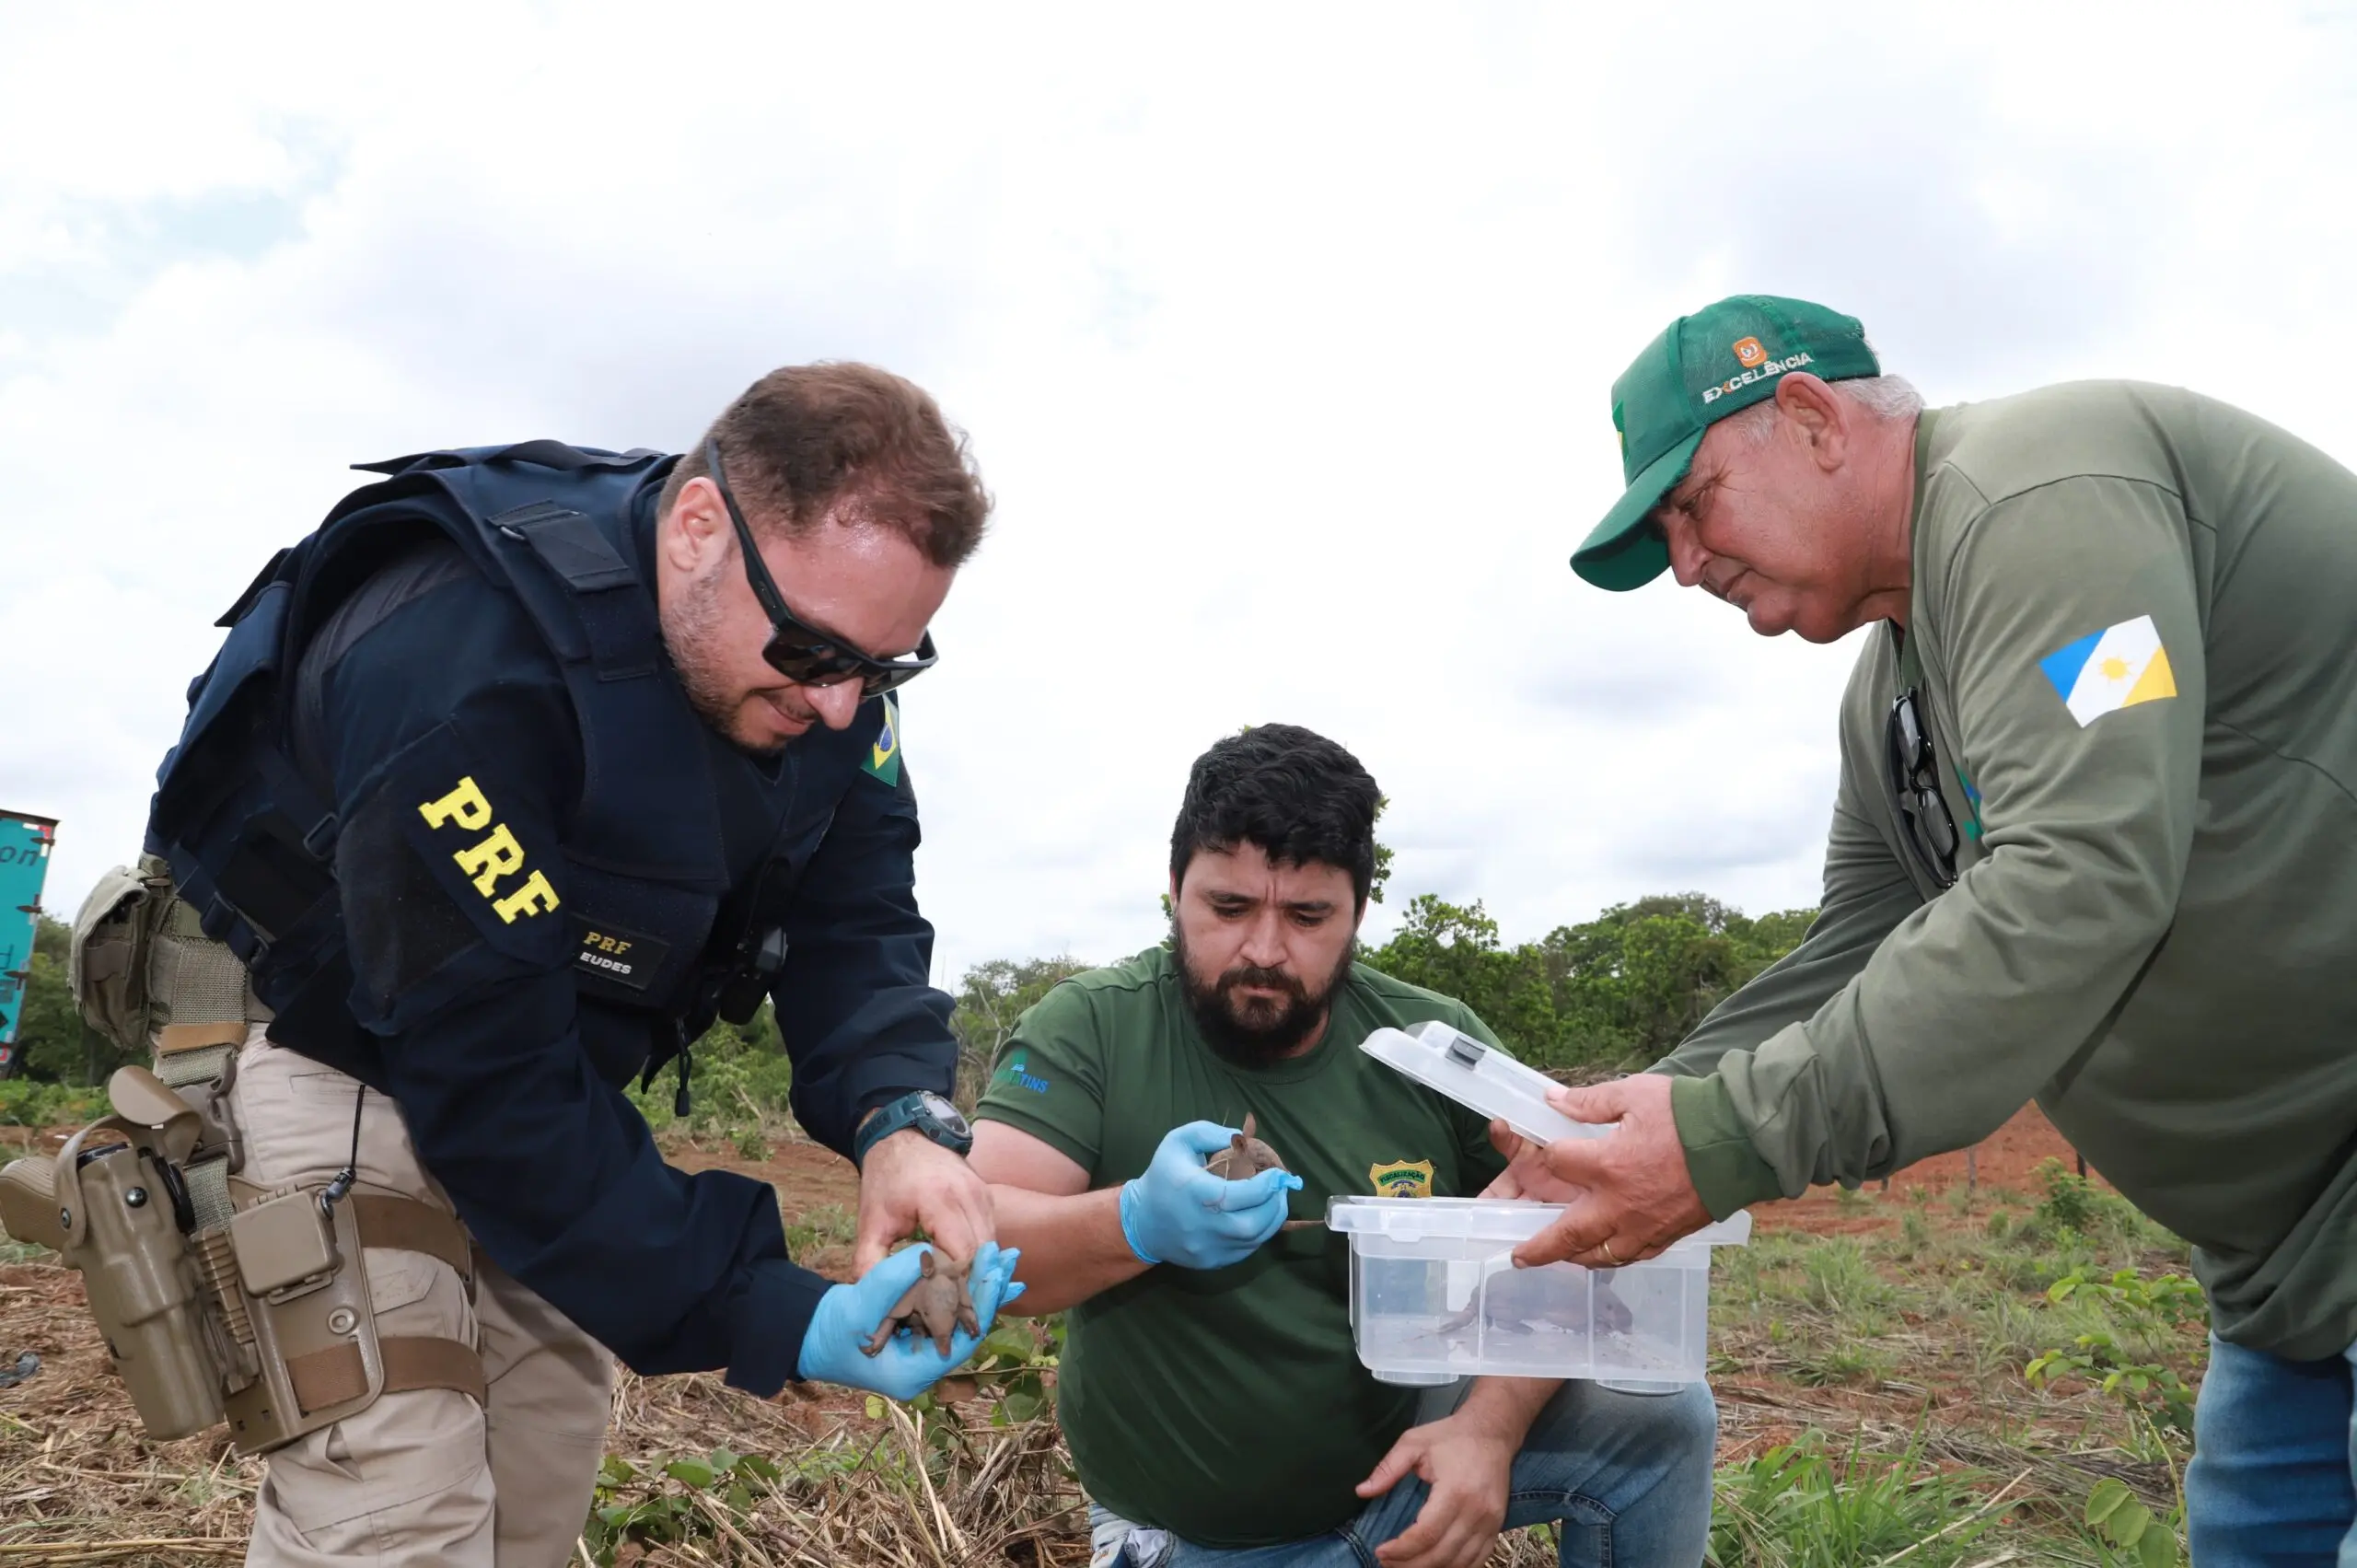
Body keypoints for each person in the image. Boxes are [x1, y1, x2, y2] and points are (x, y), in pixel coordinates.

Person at [126, 365, 1021, 1564]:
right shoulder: (463, 664)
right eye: (815, 651)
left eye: (889, 666)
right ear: (701, 526)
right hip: (331, 1048)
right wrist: (773, 1305)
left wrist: (897, 1115)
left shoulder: (823, 673)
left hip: (547, 1073)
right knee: (399, 1524)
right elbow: (489, 1081)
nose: (846, 705)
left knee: (530, 1504)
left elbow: (855, 914)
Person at [1514, 292, 2357, 1564]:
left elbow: (2081, 872)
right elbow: (1853, 943)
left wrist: (1723, 1139)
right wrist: (1605, 1133)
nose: (1685, 565)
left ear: (1809, 420)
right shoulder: (1891, 695)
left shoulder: (2043, 499)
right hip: (2280, 1269)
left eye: (1691, 506)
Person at [968, 725, 1716, 1568]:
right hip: (1198, 1539)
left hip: (1401, 1473)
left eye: (1308, 915)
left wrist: (1488, 1429)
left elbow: (1573, 1225)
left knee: (1663, 1421)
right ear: (1175, 889)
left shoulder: (1430, 1046)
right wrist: (1135, 1223)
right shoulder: (1093, 1027)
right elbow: (979, 1236)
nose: (1263, 948)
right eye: (1228, 906)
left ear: (1358, 911)